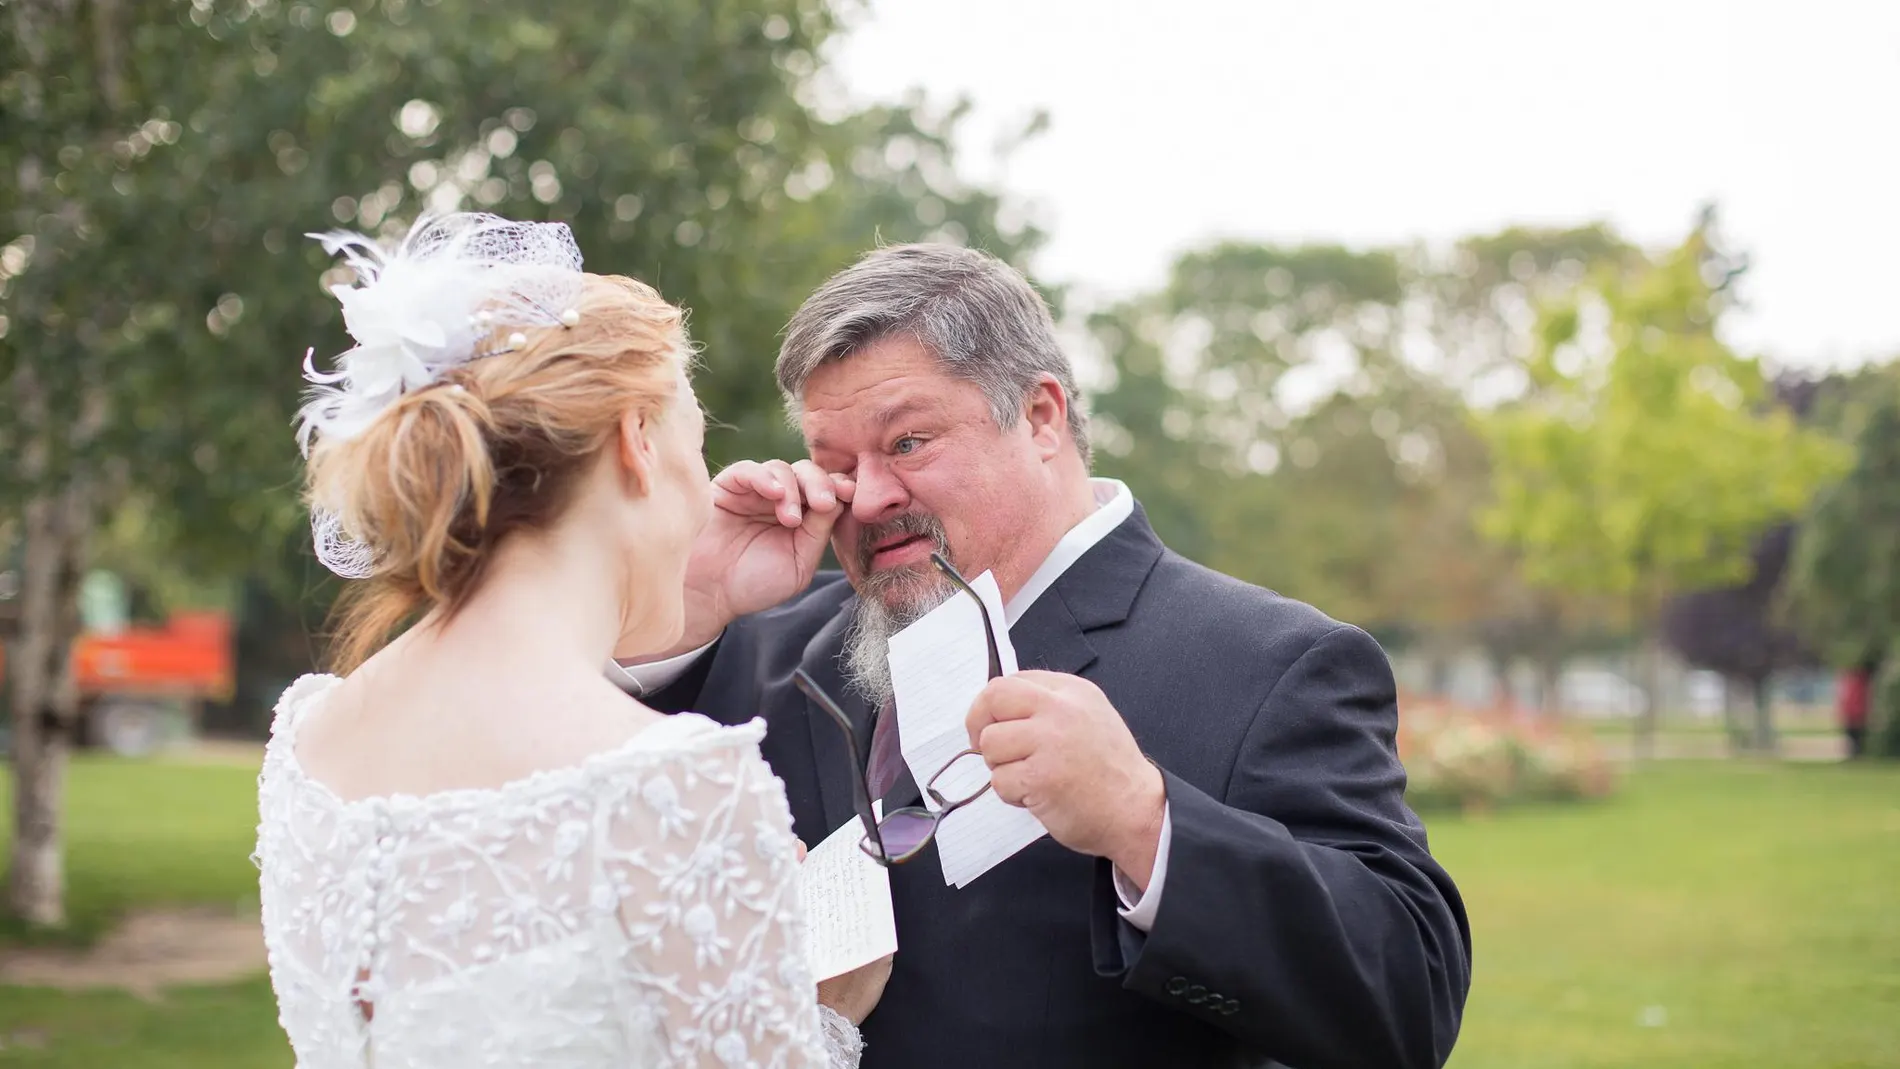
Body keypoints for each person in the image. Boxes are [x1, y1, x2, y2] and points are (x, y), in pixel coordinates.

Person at [616, 243, 1473, 1069]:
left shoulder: (1272, 662)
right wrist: (689, 607)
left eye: (907, 443)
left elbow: (1410, 998)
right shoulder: (765, 638)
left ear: (1040, 418)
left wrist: (1148, 820)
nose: (868, 496)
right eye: (837, 464)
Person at [252, 212, 882, 1068]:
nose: (704, 488)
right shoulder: (673, 782)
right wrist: (825, 1018)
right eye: (697, 446)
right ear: (636, 442)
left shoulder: (311, 739)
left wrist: (689, 595)